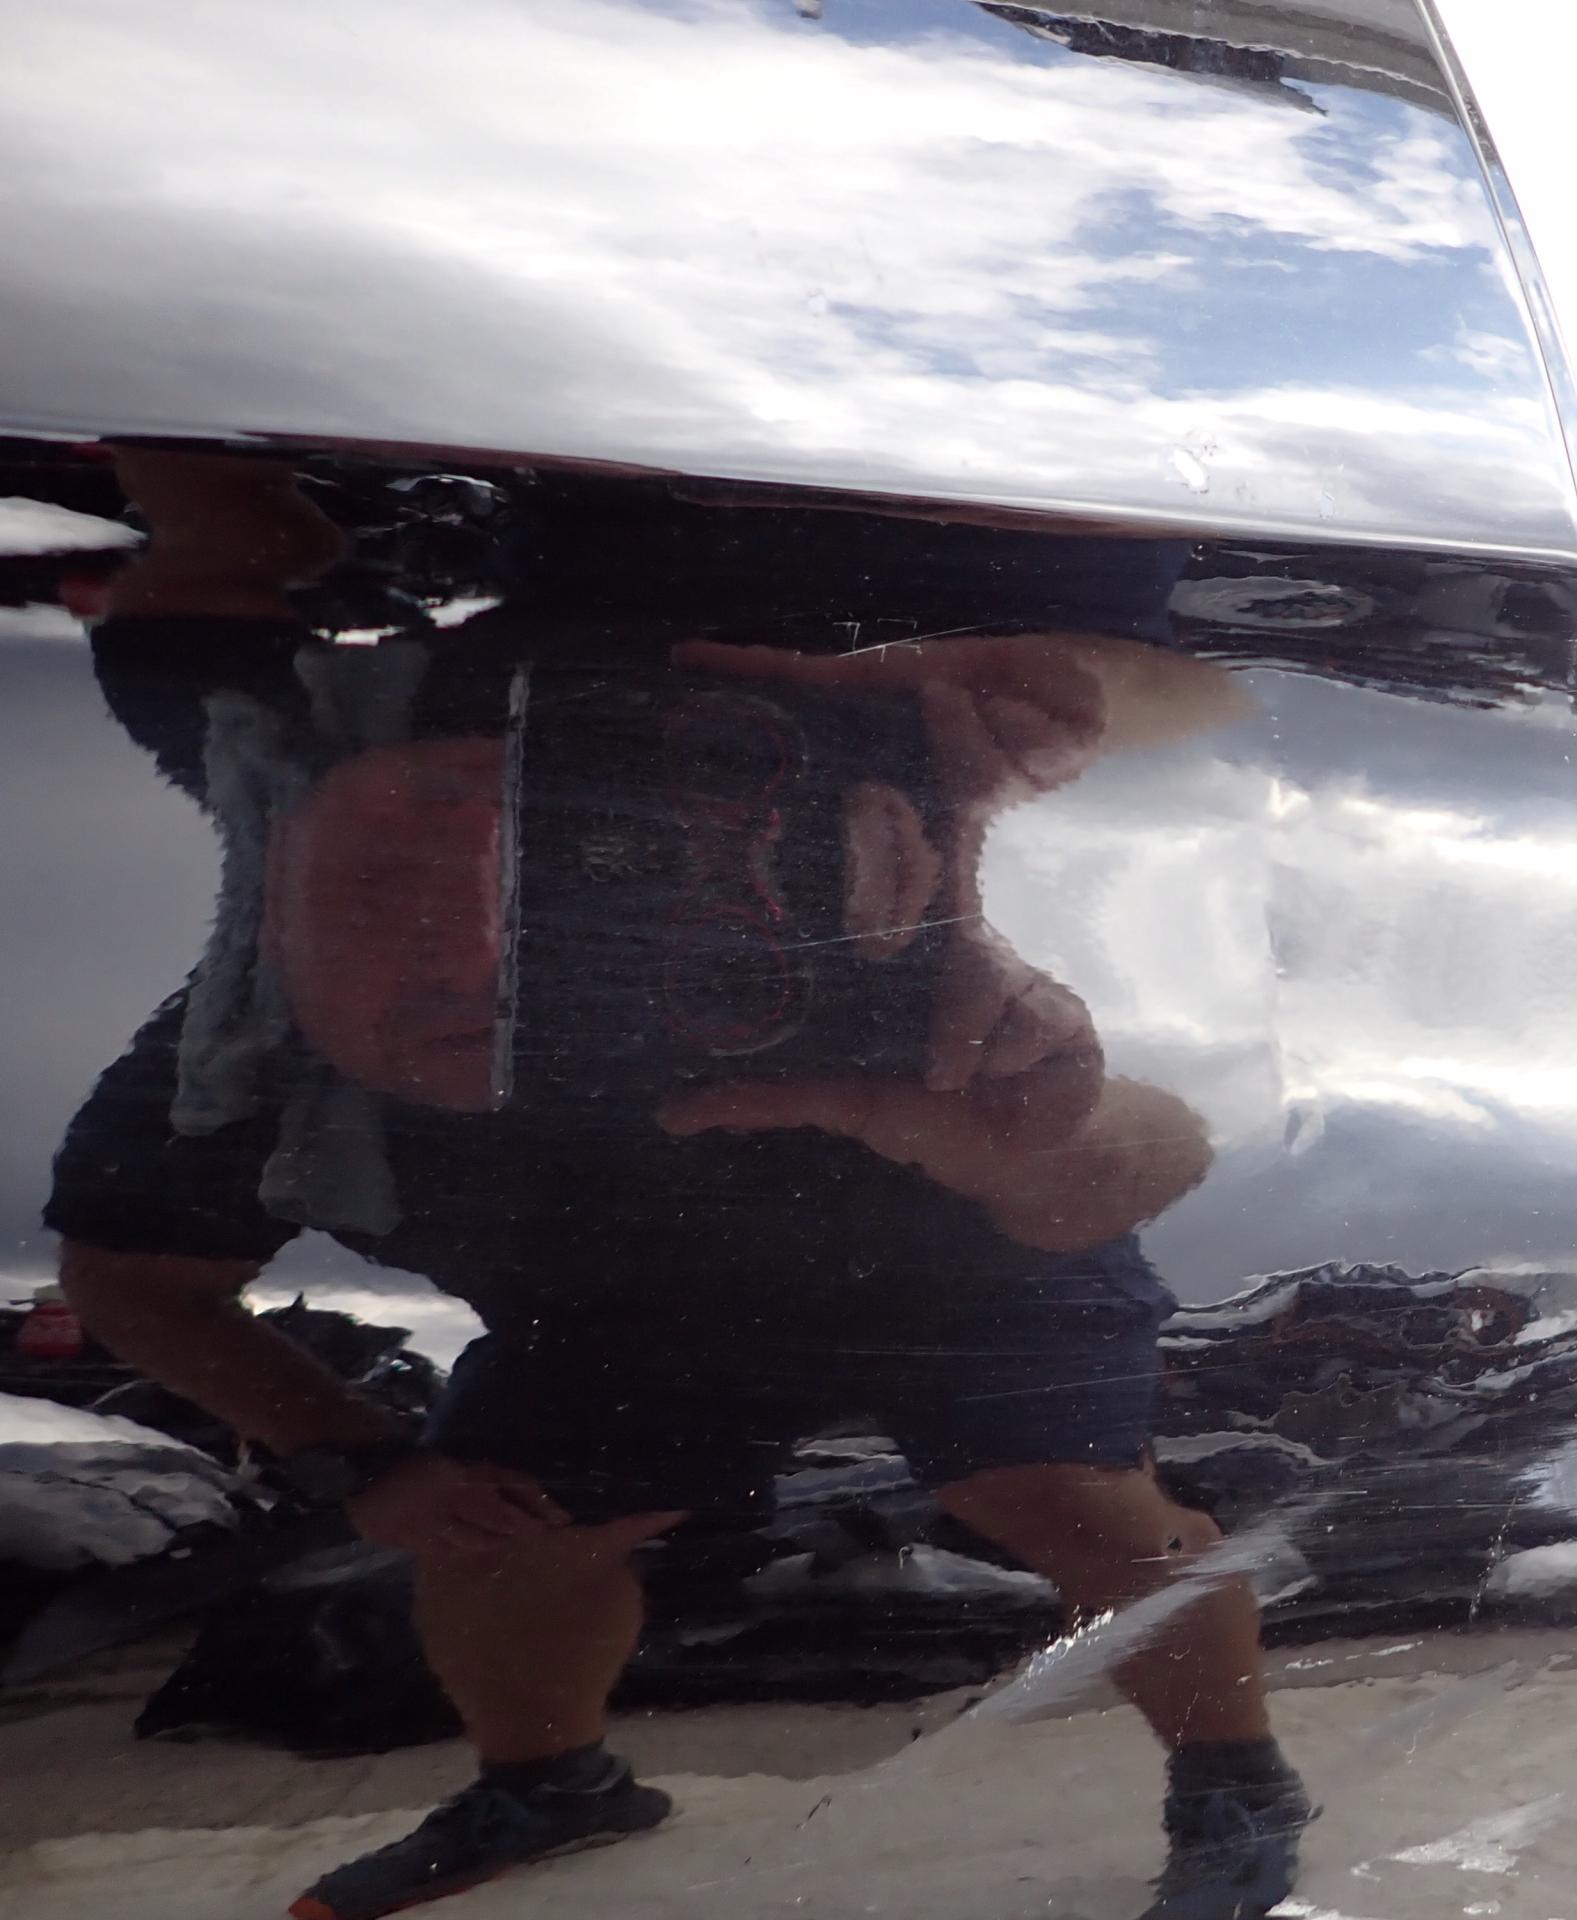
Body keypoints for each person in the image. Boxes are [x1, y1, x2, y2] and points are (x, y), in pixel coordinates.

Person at [47, 449, 1309, 1920]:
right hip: (627, 1307)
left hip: (951, 1258)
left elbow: (211, 505)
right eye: (484, 1005)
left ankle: (1235, 1779)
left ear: (509, 735)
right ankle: (546, 1782)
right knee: (501, 1537)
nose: (480, 918)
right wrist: (370, 1465)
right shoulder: (240, 1087)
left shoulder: (378, 706)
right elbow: (126, 1282)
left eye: (543, 837)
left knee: (1076, 1501)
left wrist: (1010, 1117)